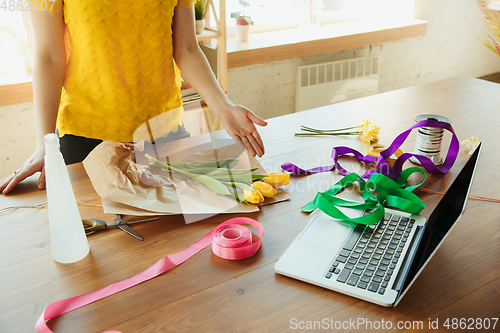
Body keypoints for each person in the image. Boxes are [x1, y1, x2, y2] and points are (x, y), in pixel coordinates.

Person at [0, 0, 267, 195]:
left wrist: (224, 107)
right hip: (85, 140)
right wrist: (44, 145)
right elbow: (49, 56)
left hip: (165, 134)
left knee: (181, 248)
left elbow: (185, 47)